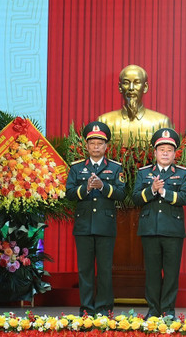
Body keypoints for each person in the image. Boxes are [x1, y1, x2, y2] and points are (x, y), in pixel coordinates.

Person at [65, 121, 126, 316]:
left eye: (100, 144)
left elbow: (121, 193)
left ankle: (104, 309)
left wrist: (102, 186)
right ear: (87, 146)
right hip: (83, 226)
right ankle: (87, 309)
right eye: (92, 143)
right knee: (85, 270)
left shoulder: (116, 168)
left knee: (105, 271)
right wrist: (87, 188)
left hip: (105, 226)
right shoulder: (76, 168)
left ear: (106, 146)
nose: (96, 147)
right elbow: (69, 194)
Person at [133, 128, 186, 318]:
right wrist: (151, 189)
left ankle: (168, 311)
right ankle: (153, 310)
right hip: (149, 230)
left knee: (171, 273)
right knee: (151, 273)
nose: (165, 153)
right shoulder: (144, 173)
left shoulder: (183, 173)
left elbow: (185, 197)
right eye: (162, 149)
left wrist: (164, 192)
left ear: (174, 154)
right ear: (155, 152)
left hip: (173, 231)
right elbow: (135, 198)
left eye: (169, 150)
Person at [98, 65, 174, 145]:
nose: (131, 88)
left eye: (136, 83)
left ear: (145, 87)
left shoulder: (161, 122)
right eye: (126, 83)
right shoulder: (105, 121)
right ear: (120, 87)